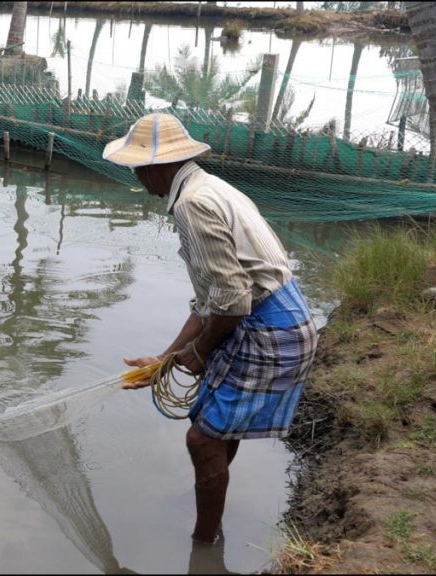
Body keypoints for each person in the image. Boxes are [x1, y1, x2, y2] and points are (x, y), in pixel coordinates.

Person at [102, 113, 318, 545]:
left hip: (269, 329)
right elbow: (213, 301)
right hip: (282, 318)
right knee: (220, 429)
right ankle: (210, 504)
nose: (137, 176)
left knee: (202, 438)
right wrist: (165, 361)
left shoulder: (191, 204)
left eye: (138, 167)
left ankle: (203, 544)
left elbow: (233, 301)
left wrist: (198, 353)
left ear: (157, 166)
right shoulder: (211, 187)